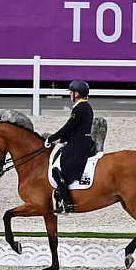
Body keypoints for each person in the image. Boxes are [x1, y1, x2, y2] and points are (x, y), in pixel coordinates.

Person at [44, 80, 95, 214]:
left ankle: (67, 202)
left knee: (57, 169)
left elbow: (68, 127)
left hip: (79, 145)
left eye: (71, 92)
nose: (70, 95)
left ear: (76, 93)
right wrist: (62, 139)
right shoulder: (86, 106)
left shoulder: (80, 108)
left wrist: (51, 138)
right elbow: (76, 128)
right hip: (82, 141)